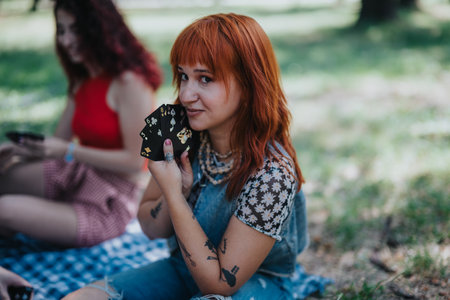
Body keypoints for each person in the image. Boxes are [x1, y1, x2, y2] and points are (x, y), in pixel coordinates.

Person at [64, 13, 308, 299]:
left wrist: (176, 197)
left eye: (205, 79)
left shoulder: (273, 175)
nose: (187, 93)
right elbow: (150, 228)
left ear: (250, 84)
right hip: (182, 269)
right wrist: (174, 192)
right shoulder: (178, 131)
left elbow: (219, 285)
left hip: (253, 285)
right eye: (183, 76)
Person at [0, 0, 163, 247]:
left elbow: (136, 161)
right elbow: (58, 143)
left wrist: (70, 152)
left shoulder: (130, 82)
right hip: (74, 176)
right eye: (62, 30)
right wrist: (20, 150)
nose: (65, 40)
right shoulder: (83, 79)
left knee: (4, 209)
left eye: (75, 30)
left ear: (99, 29)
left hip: (110, 200)